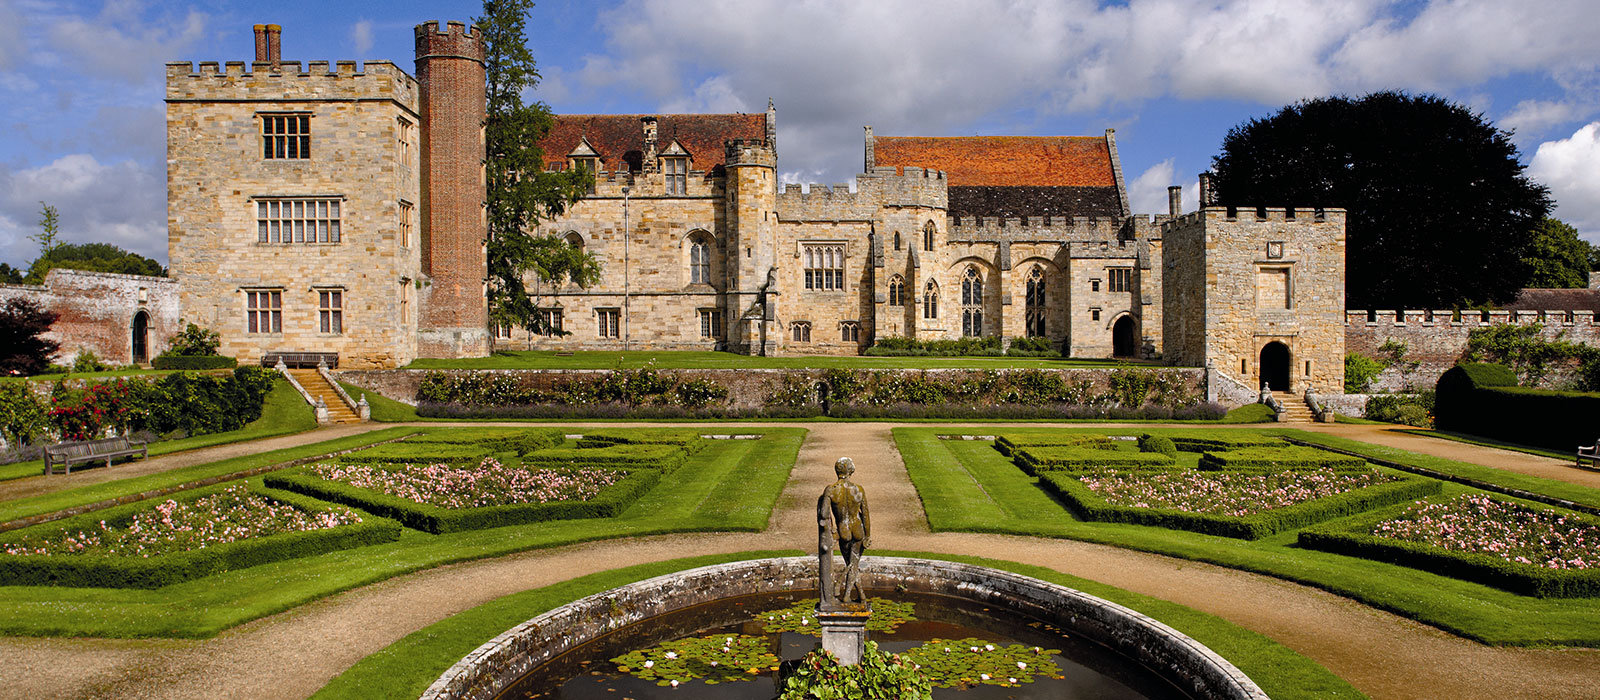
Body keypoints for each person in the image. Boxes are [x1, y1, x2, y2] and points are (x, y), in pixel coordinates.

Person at [817, 457, 871, 607]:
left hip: (844, 531)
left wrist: (832, 527)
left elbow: (824, 514)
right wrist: (868, 535)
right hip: (858, 529)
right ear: (851, 471)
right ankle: (855, 595)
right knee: (853, 564)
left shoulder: (831, 490)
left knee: (851, 563)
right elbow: (865, 514)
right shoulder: (858, 489)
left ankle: (852, 595)